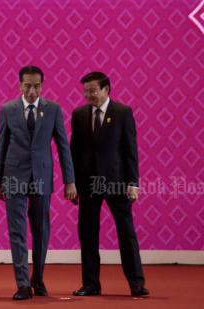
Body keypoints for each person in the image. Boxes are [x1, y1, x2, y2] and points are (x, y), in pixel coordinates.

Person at [0, 65, 77, 300]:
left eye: (36, 85)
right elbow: (2, 145)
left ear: (42, 85)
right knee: (16, 231)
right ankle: (22, 284)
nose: (32, 90)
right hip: (13, 177)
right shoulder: (8, 109)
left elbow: (63, 147)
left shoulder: (53, 109)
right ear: (19, 85)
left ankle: (37, 279)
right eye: (27, 85)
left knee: (41, 231)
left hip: (41, 178)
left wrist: (70, 181)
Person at [70, 71, 149, 297]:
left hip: (117, 183)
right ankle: (91, 284)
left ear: (107, 89)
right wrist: (72, 183)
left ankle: (136, 283)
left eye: (93, 90)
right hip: (87, 183)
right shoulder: (79, 114)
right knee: (87, 234)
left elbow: (130, 151)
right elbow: (74, 150)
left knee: (126, 233)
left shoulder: (123, 113)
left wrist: (133, 183)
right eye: (86, 91)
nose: (89, 95)